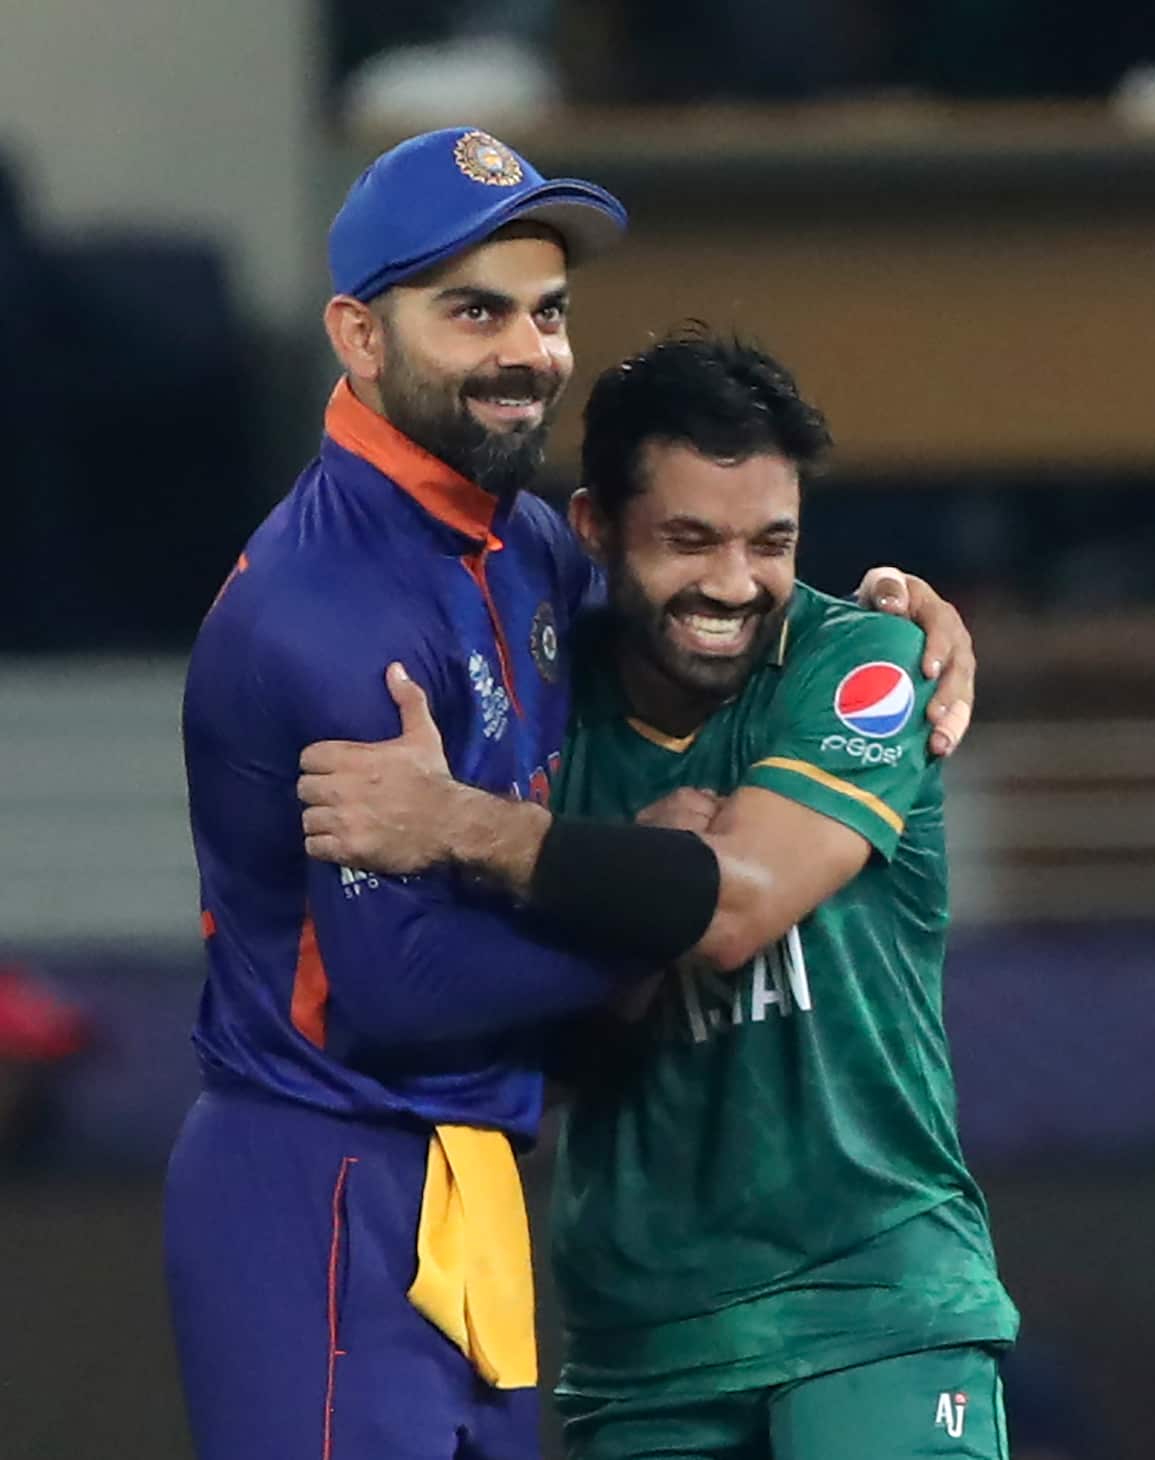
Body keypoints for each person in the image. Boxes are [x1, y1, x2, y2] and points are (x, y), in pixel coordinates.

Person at [171, 122, 975, 1460]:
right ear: (358, 337)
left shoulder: (523, 547)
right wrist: (629, 935)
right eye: (472, 310)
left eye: (546, 313)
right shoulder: (323, 609)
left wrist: (885, 617)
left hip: (468, 1186)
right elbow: (398, 986)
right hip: (321, 1176)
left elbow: (705, 585)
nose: (525, 351)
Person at [297, 331, 1017, 1459]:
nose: (734, 583)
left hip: (875, 1304)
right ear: (595, 528)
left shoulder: (861, 663)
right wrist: (619, 928)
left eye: (768, 542)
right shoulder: (537, 720)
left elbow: (734, 905)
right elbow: (523, 1058)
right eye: (689, 538)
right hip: (637, 1347)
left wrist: (459, 826)